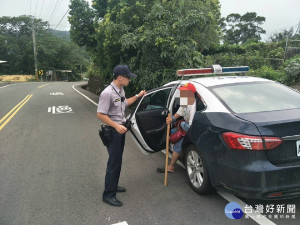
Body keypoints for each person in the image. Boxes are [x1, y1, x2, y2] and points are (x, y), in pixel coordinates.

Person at [97, 65, 146, 207]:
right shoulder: (107, 93)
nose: (129, 80)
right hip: (113, 132)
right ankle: (108, 194)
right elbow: (100, 114)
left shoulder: (120, 90)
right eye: (128, 77)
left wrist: (138, 96)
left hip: (120, 130)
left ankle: (113, 185)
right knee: (113, 163)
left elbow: (125, 103)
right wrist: (116, 126)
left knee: (117, 160)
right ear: (120, 77)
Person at [158, 83, 196, 173]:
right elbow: (179, 113)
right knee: (171, 132)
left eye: (184, 92)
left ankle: (171, 166)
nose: (182, 94)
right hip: (183, 125)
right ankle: (174, 157)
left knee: (177, 144)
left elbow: (189, 128)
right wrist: (171, 119)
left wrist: (181, 124)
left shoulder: (193, 107)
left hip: (189, 129)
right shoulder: (186, 101)